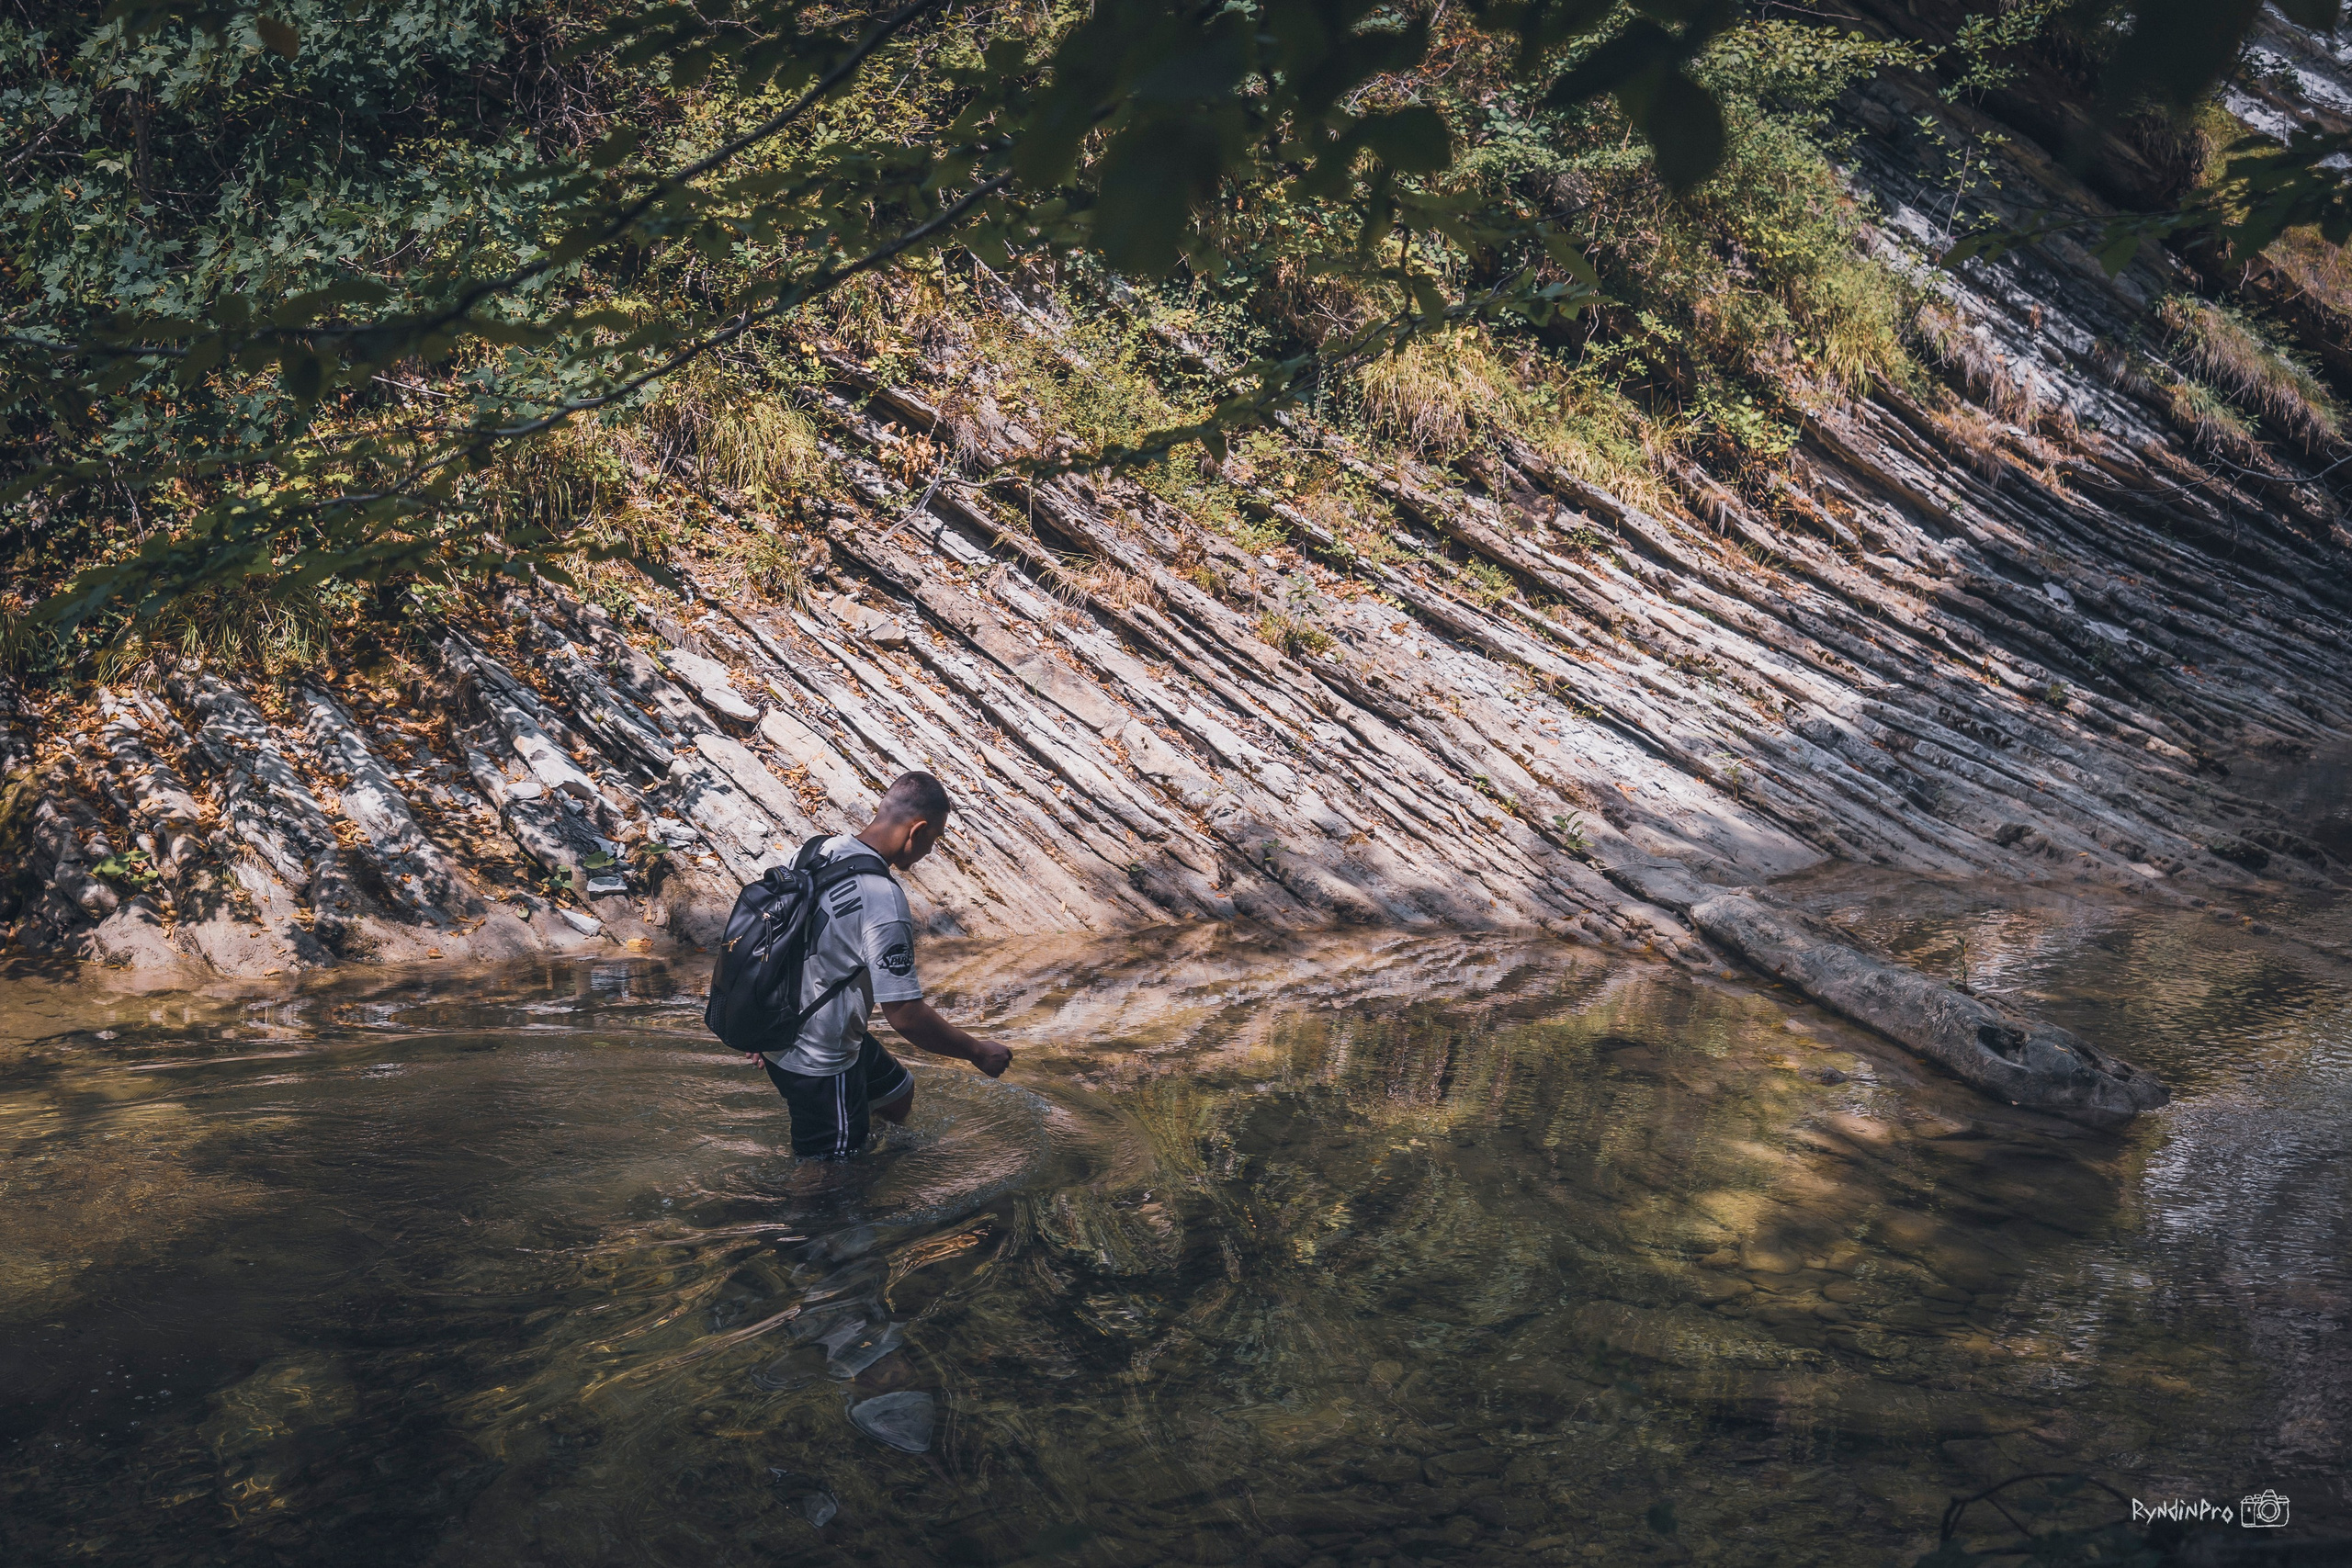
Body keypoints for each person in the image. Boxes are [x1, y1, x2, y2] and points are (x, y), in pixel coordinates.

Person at [753, 771, 1012, 1158]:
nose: (931, 850)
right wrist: (978, 1052)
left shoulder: (814, 851)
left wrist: (760, 1022)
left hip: (790, 1026)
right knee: (830, 1177)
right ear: (918, 831)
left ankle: (876, 1155)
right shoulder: (884, 901)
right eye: (935, 839)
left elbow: (770, 936)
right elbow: (905, 1015)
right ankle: (820, 1207)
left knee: (896, 1093)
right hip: (822, 1060)